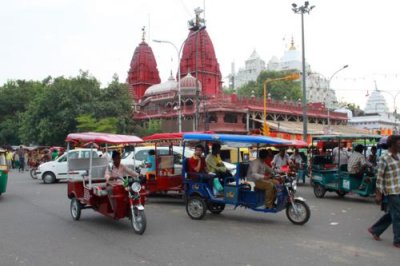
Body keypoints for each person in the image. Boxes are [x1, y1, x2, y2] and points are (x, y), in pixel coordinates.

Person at [368, 135, 400, 248]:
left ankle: (375, 229)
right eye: (399, 142)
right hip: (391, 190)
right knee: (397, 215)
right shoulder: (384, 158)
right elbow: (380, 177)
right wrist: (378, 194)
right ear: (392, 144)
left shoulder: (398, 156)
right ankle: (397, 240)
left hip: (399, 188)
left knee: (393, 213)